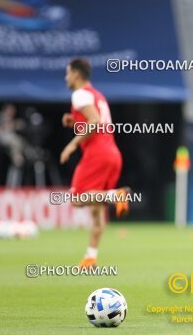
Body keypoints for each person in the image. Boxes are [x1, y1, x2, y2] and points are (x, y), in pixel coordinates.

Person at [60, 57, 129, 268]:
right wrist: (74, 121)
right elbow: (95, 120)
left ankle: (115, 195)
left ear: (77, 75)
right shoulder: (97, 95)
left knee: (77, 198)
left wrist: (71, 145)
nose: (66, 77)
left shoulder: (79, 94)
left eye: (68, 72)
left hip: (97, 153)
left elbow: (94, 122)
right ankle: (90, 257)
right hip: (112, 153)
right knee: (96, 209)